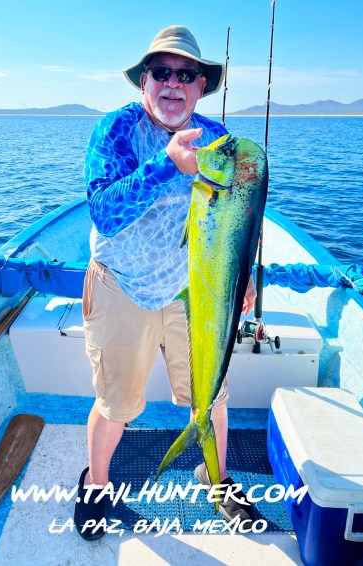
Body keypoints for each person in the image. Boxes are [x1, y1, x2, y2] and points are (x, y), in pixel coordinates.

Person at [74, 25, 257, 541]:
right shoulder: (116, 129)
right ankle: (96, 484)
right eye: (162, 72)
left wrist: (242, 275)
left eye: (186, 74)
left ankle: (216, 478)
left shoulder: (218, 140)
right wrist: (166, 164)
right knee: (115, 405)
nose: (173, 83)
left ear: (201, 86)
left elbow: (241, 213)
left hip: (191, 291)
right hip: (122, 287)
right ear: (144, 82)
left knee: (211, 396)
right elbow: (105, 212)